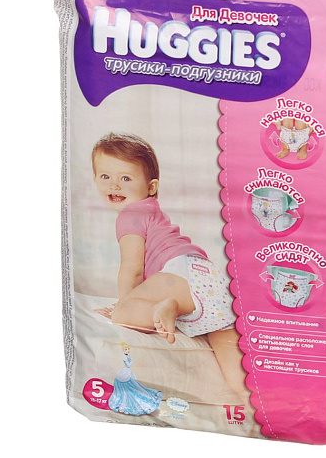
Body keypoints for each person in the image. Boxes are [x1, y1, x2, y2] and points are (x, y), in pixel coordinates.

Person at [92, 132, 250, 409]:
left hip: (179, 272)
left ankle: (167, 306)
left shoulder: (131, 214)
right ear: (94, 180)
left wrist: (125, 305)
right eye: (105, 176)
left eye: (125, 178)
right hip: (209, 280)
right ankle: (253, 405)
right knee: (238, 373)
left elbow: (132, 269)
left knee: (123, 314)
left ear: (151, 186)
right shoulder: (152, 209)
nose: (114, 185)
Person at [108, 343, 163, 415]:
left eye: (128, 349)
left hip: (127, 372)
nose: (127, 350)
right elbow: (128, 365)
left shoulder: (127, 356)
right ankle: (127, 403)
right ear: (123, 350)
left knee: (134, 386)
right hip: (125, 372)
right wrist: (129, 360)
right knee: (128, 387)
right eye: (126, 349)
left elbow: (128, 365)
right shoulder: (124, 356)